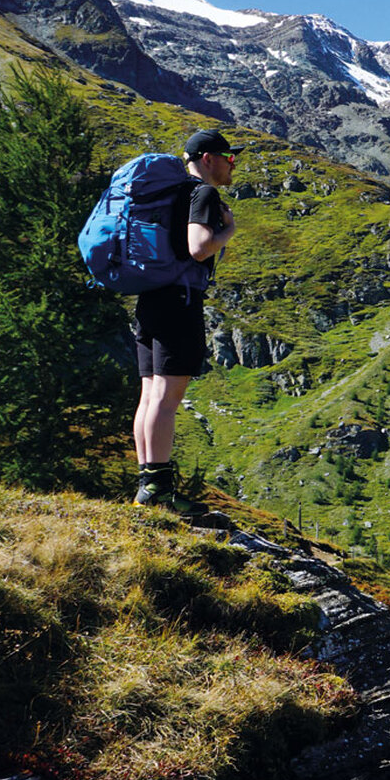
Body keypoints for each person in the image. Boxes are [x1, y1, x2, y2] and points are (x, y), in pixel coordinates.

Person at [132, 129, 240, 511]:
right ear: (208, 158)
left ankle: (148, 485)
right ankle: (159, 493)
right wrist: (228, 230)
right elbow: (197, 248)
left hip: (151, 298)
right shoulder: (203, 193)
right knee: (166, 397)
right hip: (179, 300)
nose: (233, 164)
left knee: (149, 396)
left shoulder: (170, 194)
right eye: (228, 157)